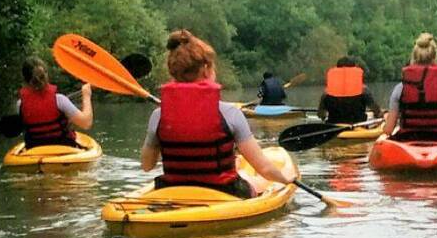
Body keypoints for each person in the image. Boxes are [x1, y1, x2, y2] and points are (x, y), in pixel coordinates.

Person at [140, 30, 296, 198]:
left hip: (172, 192)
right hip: (224, 193)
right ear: (206, 69)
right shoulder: (230, 113)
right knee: (254, 182)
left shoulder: (158, 115)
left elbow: (147, 165)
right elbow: (264, 169)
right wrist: (286, 179)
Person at [383, 33, 437, 140]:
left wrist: (386, 119)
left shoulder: (400, 89)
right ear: (434, 58)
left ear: (413, 58)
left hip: (407, 138)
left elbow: (389, 129)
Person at [17, 57, 93, 148]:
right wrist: (86, 95)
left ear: (25, 79)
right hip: (64, 149)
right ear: (46, 75)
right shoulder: (60, 100)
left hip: (34, 151)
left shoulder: (20, 104)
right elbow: (86, 123)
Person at [317, 56, 382, 124]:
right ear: (354, 69)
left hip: (334, 127)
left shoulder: (326, 92)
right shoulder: (363, 90)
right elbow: (376, 111)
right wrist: (380, 114)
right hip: (358, 127)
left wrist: (323, 116)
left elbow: (321, 115)